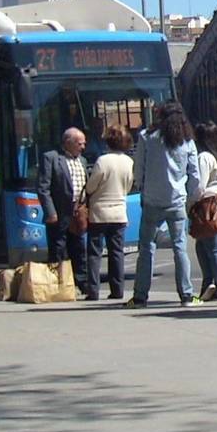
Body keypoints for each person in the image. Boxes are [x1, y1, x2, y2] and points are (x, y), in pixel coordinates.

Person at [130, 101, 202, 307]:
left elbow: (139, 169)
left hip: (152, 200)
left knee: (146, 248)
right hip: (177, 200)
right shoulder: (187, 141)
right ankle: (186, 295)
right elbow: (194, 175)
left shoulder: (146, 137)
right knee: (180, 248)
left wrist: (143, 188)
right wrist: (191, 197)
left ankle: (140, 296)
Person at [81, 123, 134, 303]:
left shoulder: (103, 161)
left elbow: (91, 186)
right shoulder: (129, 162)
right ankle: (117, 289)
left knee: (94, 252)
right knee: (117, 252)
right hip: (119, 212)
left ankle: (93, 290)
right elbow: (128, 187)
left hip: (99, 212)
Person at [37, 127, 91, 298]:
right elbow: (43, 188)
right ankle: (60, 284)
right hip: (59, 212)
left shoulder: (82, 160)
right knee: (58, 249)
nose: (83, 147)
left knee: (79, 249)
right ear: (68, 142)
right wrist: (50, 212)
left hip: (77, 213)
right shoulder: (51, 158)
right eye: (80, 143)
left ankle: (81, 282)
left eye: (84, 144)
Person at [191, 120, 217, 303]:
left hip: (209, 208)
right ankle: (209, 284)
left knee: (213, 249)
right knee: (204, 246)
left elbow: (199, 187)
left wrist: (189, 203)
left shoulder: (205, 158)